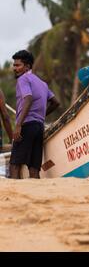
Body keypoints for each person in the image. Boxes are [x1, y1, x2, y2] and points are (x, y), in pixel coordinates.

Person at [9, 50, 60, 179]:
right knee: (34, 168)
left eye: (18, 65)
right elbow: (56, 103)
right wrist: (40, 116)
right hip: (38, 127)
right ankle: (37, 195)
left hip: (26, 126)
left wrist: (19, 125)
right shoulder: (42, 83)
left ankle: (14, 198)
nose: (14, 68)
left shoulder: (23, 79)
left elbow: (28, 98)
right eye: (14, 65)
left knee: (14, 164)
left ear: (27, 67)